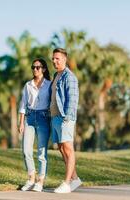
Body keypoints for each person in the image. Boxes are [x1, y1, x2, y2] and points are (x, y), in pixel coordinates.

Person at [50, 48, 82, 193]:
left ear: (64, 59)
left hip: (65, 118)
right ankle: (75, 179)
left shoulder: (69, 76)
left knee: (68, 149)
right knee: (62, 149)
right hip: (55, 117)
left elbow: (73, 100)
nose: (54, 61)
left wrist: (67, 119)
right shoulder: (56, 75)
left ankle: (67, 183)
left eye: (57, 58)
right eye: (53, 58)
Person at [18, 58, 51, 192]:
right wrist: (21, 123)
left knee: (42, 153)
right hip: (29, 118)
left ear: (43, 69)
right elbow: (23, 104)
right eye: (33, 67)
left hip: (44, 117)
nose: (35, 69)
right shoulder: (28, 85)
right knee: (26, 150)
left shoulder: (49, 84)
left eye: (38, 67)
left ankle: (40, 181)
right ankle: (31, 179)